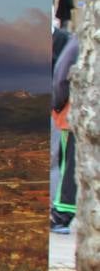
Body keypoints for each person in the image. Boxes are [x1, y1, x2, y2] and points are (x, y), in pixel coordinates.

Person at [52, 33, 80, 233]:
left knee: (69, 165)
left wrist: (57, 105)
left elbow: (62, 75)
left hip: (77, 114)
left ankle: (62, 214)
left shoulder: (79, 41)